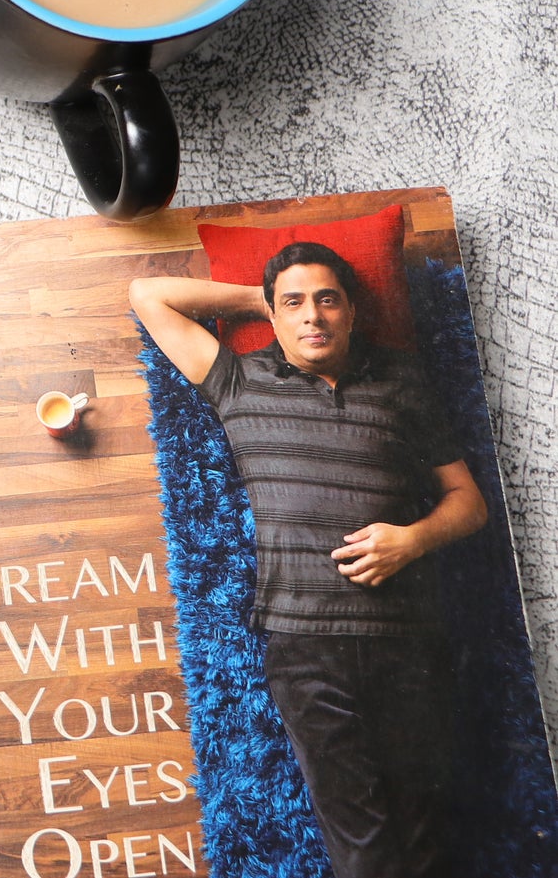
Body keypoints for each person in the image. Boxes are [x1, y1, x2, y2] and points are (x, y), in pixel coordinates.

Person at [129, 242, 487, 878]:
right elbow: (147, 296)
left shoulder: (400, 380)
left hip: (407, 640)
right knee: (364, 844)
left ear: (352, 310)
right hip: (304, 645)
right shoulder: (238, 379)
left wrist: (413, 540)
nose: (312, 316)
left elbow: (469, 503)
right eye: (293, 304)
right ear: (273, 315)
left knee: (429, 835)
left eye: (327, 300)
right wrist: (261, 301)